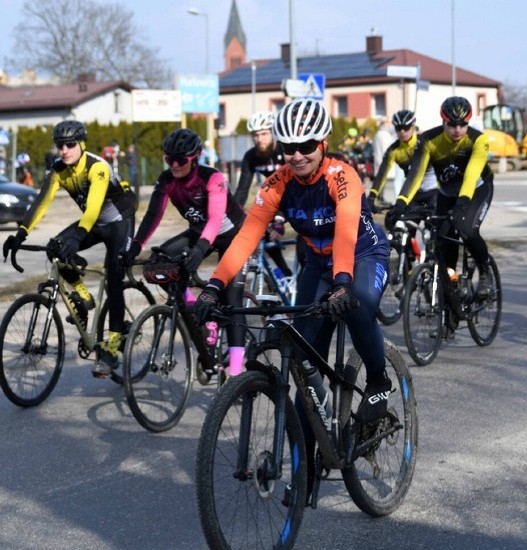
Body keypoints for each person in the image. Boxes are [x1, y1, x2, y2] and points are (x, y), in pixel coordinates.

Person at [193, 99, 392, 431]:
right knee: (305, 359)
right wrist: (214, 286)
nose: (298, 154)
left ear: (322, 144)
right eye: (289, 147)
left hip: (361, 254)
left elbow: (345, 232)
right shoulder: (276, 184)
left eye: (307, 145)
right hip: (317, 262)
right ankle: (310, 466)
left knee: (360, 305)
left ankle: (378, 380)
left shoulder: (342, 176)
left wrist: (342, 282)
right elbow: (245, 238)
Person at [2, 120, 137, 378]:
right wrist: (20, 233)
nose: (64, 150)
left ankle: (112, 344)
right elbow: (41, 203)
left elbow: (94, 207)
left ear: (82, 144)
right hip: (94, 221)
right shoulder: (58, 171)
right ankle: (85, 298)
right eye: (60, 145)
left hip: (120, 218)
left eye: (70, 144)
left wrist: (78, 237)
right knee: (55, 248)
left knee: (114, 273)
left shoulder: (97, 167)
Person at [122, 128, 248, 380]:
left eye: (181, 160)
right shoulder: (167, 179)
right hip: (199, 231)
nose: (175, 165)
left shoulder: (212, 178)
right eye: (170, 159)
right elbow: (153, 216)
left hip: (233, 234)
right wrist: (135, 245)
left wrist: (201, 249)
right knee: (160, 263)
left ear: (196, 157)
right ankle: (199, 313)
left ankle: (236, 369)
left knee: (232, 299)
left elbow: (214, 219)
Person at [392, 96, 495, 324]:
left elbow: (471, 175)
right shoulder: (429, 140)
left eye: (463, 125)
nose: (458, 130)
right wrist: (401, 202)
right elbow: (416, 174)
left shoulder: (478, 140)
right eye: (452, 125)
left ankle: (485, 270)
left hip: (477, 189)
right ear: (443, 122)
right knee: (443, 246)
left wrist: (462, 204)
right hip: (448, 194)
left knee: (466, 227)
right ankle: (452, 301)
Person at [234, 110, 295, 278]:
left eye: (264, 134)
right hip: (275, 199)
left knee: (306, 247)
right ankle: (286, 275)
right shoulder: (251, 156)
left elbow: (294, 187)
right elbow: (242, 190)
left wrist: (280, 218)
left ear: (273, 133)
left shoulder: (285, 150)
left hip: (297, 196)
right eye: (255, 135)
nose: (259, 139)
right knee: (266, 235)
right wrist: (232, 215)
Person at [369, 110, 438, 218]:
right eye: (398, 128)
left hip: (433, 191)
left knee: (433, 229)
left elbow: (416, 173)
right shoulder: (393, 150)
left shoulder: (425, 143)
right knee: (402, 228)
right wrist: (372, 197)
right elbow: (382, 173)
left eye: (406, 128)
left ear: (413, 127)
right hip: (412, 194)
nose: (402, 132)